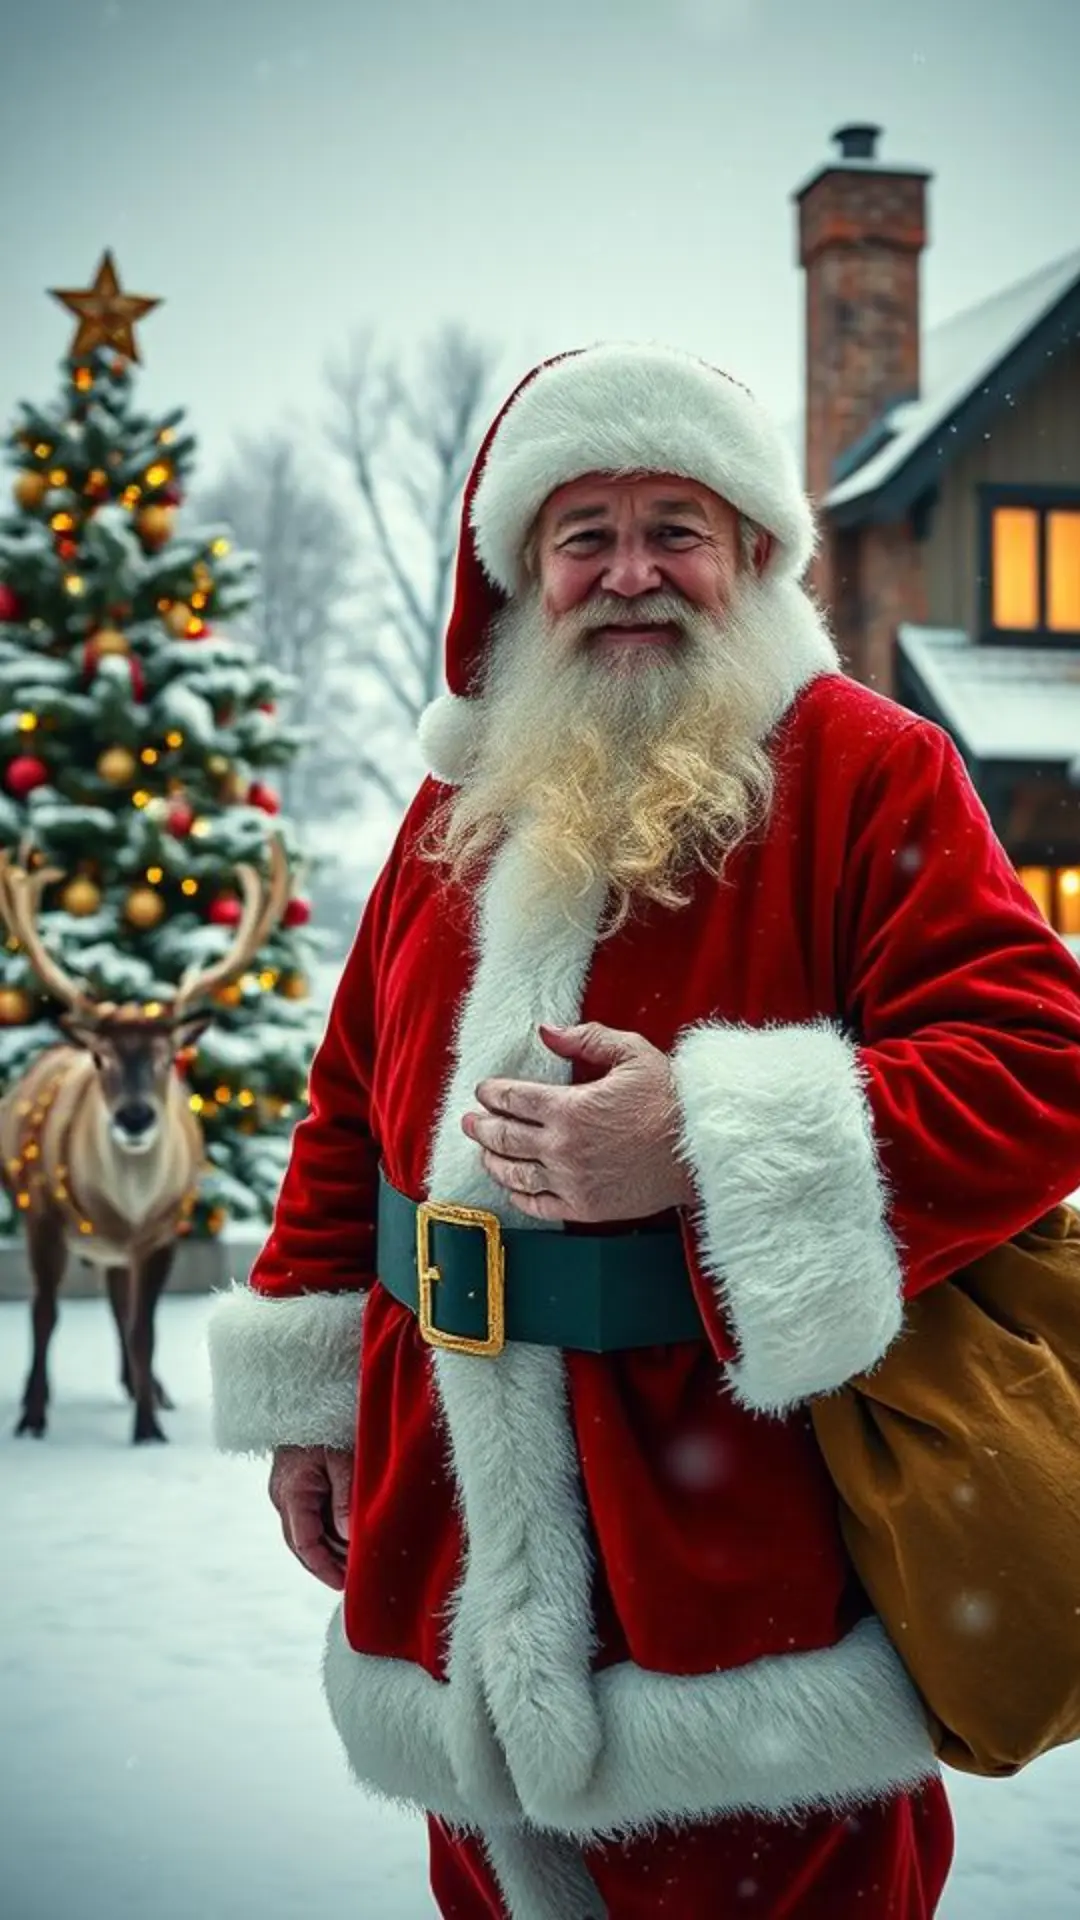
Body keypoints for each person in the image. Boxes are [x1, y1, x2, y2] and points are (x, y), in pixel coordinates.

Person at [207, 343, 1080, 1919]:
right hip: (447, 1512)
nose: (629, 573)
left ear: (751, 551)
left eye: (673, 524)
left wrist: (706, 1138)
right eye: (583, 532)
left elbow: (1041, 1063)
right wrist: (311, 1397)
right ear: (524, 576)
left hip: (737, 1531)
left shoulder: (870, 769)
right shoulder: (457, 800)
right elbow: (349, 1108)